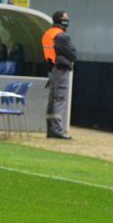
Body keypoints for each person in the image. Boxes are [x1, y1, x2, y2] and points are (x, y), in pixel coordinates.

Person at [42, 11, 77, 140]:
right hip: (61, 70)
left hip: (51, 69)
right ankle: (57, 130)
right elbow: (73, 54)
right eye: (65, 18)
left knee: (52, 100)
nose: (67, 20)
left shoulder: (48, 34)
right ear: (60, 20)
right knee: (60, 99)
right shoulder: (62, 36)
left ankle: (51, 129)